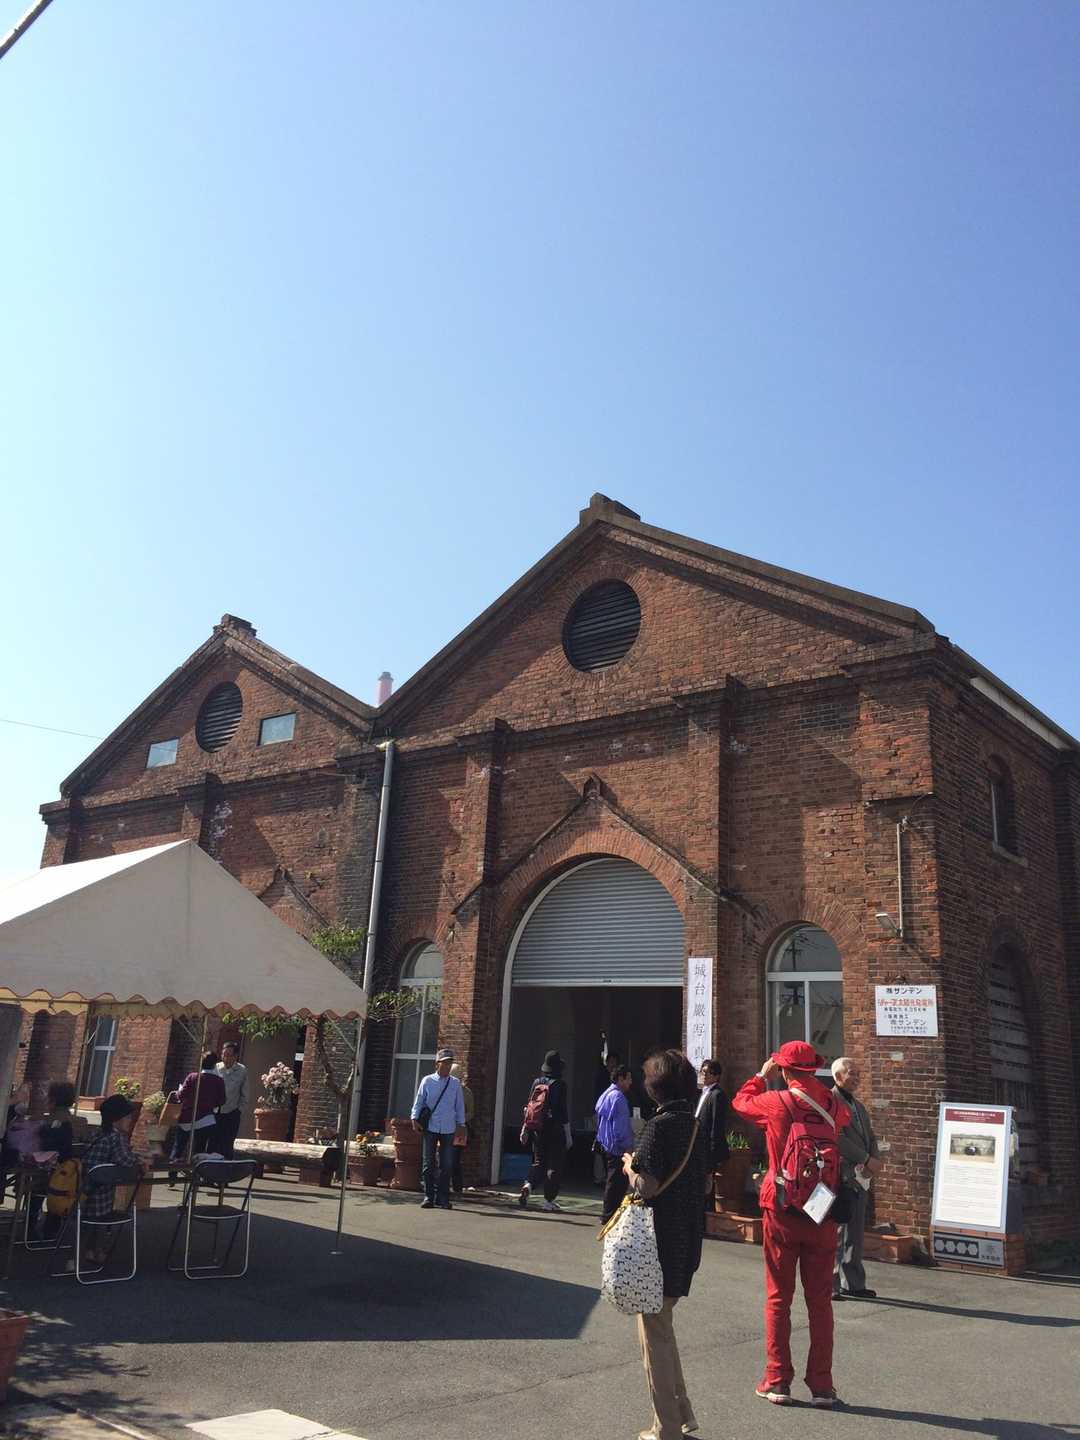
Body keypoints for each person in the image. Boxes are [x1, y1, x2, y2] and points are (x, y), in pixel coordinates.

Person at [732, 1040, 851, 1409]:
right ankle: (822, 1385)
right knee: (821, 1302)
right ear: (813, 1068)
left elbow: (741, 1103)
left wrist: (759, 1076)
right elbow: (844, 1122)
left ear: (783, 1070)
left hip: (781, 1208)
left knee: (778, 1298)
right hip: (822, 1211)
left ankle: (777, 1379)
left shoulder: (776, 1102)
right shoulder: (833, 1105)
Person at [621, 1049, 709, 1440]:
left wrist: (629, 1167)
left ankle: (666, 1428)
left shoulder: (657, 1127)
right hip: (686, 1239)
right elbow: (706, 1183)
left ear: (655, 1088)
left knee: (654, 1337)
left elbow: (648, 1186)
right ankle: (681, 1414)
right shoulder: (695, 1125)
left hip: (654, 1244)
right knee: (663, 1328)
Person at [76, 1094, 149, 1268]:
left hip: (82, 1191)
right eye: (128, 1117)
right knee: (101, 1220)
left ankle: (85, 1252)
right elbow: (124, 1160)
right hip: (100, 1193)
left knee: (88, 1224)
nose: (130, 1120)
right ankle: (96, 1252)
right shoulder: (116, 1137)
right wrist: (140, 1161)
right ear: (117, 1119)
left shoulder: (96, 1133)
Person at [831, 1056, 882, 1300]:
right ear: (837, 1076)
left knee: (855, 1232)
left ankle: (853, 1283)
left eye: (859, 1074)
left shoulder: (859, 1106)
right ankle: (831, 1284)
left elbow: (870, 1135)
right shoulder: (831, 1101)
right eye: (852, 1073)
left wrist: (874, 1160)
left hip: (862, 1176)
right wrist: (865, 1158)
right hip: (842, 1174)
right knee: (837, 1231)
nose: (857, 1078)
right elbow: (837, 1137)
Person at [411, 1047, 466, 1210]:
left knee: (447, 1165)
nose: (448, 1066)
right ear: (437, 1064)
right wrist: (414, 1118)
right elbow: (419, 1101)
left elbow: (459, 1106)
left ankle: (443, 1198)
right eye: (445, 1063)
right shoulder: (427, 1081)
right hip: (431, 1127)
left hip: (448, 1128)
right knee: (428, 1164)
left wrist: (461, 1125)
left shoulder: (455, 1084)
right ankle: (429, 1196)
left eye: (450, 1063)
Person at [518, 1049, 571, 1213]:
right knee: (554, 1164)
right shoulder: (560, 1085)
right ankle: (548, 1200)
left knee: (539, 1162)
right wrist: (568, 1135)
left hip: (537, 1129)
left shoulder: (537, 1082)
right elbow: (562, 1112)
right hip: (555, 1129)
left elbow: (529, 1108)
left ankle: (528, 1185)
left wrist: (525, 1129)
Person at [595, 1065, 635, 1223]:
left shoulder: (607, 1094)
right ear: (620, 1079)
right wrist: (628, 1146)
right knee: (617, 1183)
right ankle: (610, 1215)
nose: (631, 1082)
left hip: (606, 1143)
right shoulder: (619, 1098)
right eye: (628, 1078)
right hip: (618, 1147)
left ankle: (608, 1213)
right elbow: (621, 1127)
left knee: (612, 1181)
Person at [174, 1052, 227, 1160]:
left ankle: (174, 1165)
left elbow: (181, 1095)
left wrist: (179, 1092)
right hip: (206, 1119)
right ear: (214, 1065)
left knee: (179, 1147)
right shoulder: (218, 1080)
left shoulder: (192, 1077)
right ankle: (196, 1168)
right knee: (199, 1150)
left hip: (187, 1117)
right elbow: (222, 1100)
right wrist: (211, 1103)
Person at [695, 1058, 730, 1207]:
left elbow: (717, 1127)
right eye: (702, 1071)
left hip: (708, 1151)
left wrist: (712, 1157)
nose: (703, 1075)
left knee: (708, 1191)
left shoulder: (717, 1095)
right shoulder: (703, 1092)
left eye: (707, 1072)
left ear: (716, 1076)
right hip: (699, 1148)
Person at [215, 1043, 249, 1159]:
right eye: (223, 1055)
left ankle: (226, 1166)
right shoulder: (216, 1068)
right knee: (214, 1142)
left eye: (229, 1055)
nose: (225, 1058)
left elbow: (245, 1093)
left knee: (227, 1143)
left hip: (232, 1112)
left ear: (235, 1056)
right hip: (215, 1112)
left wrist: (239, 1110)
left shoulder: (242, 1070)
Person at [449, 1063, 474, 1195]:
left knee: (455, 1159)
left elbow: (471, 1112)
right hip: (444, 1127)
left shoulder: (466, 1093)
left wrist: (460, 1119)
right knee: (442, 1157)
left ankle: (457, 1187)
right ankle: (442, 1185)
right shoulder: (445, 1090)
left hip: (460, 1130)